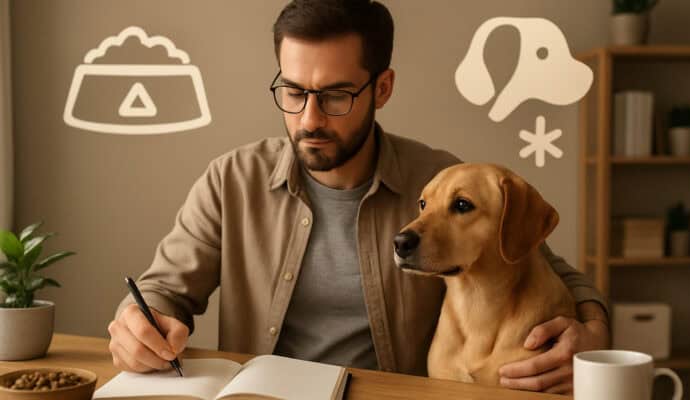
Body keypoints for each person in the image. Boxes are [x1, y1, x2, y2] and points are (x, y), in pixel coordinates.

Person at [107, 0, 609, 394]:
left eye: (335, 96)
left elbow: (542, 265)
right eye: (294, 91)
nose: (309, 119)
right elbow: (164, 290)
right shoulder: (231, 180)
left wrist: (592, 334)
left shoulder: (438, 180)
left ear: (382, 88)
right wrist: (140, 324)